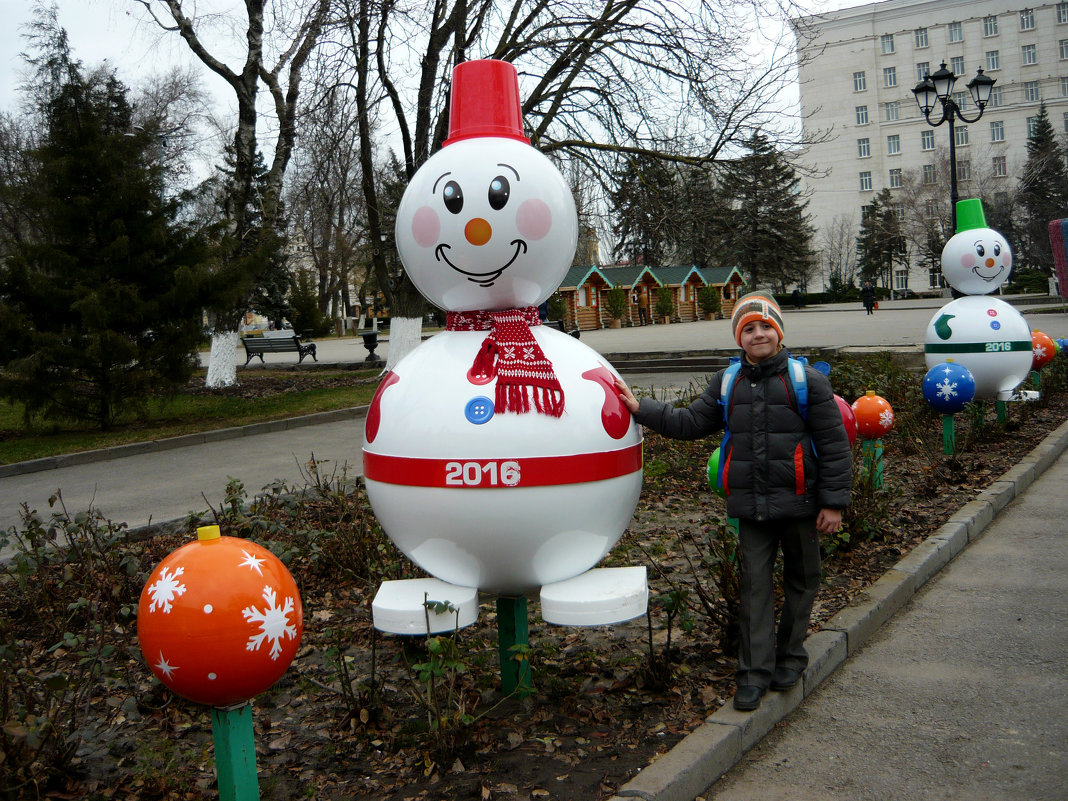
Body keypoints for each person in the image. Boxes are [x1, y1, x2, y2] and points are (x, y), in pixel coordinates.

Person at [615, 292, 852, 712]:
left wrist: (832, 504)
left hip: (801, 503)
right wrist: (641, 408)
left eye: (765, 327)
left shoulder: (806, 381)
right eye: (748, 328)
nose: (757, 334)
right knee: (755, 589)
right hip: (753, 507)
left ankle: (791, 659)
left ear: (778, 333)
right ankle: (753, 675)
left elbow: (834, 447)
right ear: (739, 338)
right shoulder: (729, 383)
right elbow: (690, 422)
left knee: (802, 581)